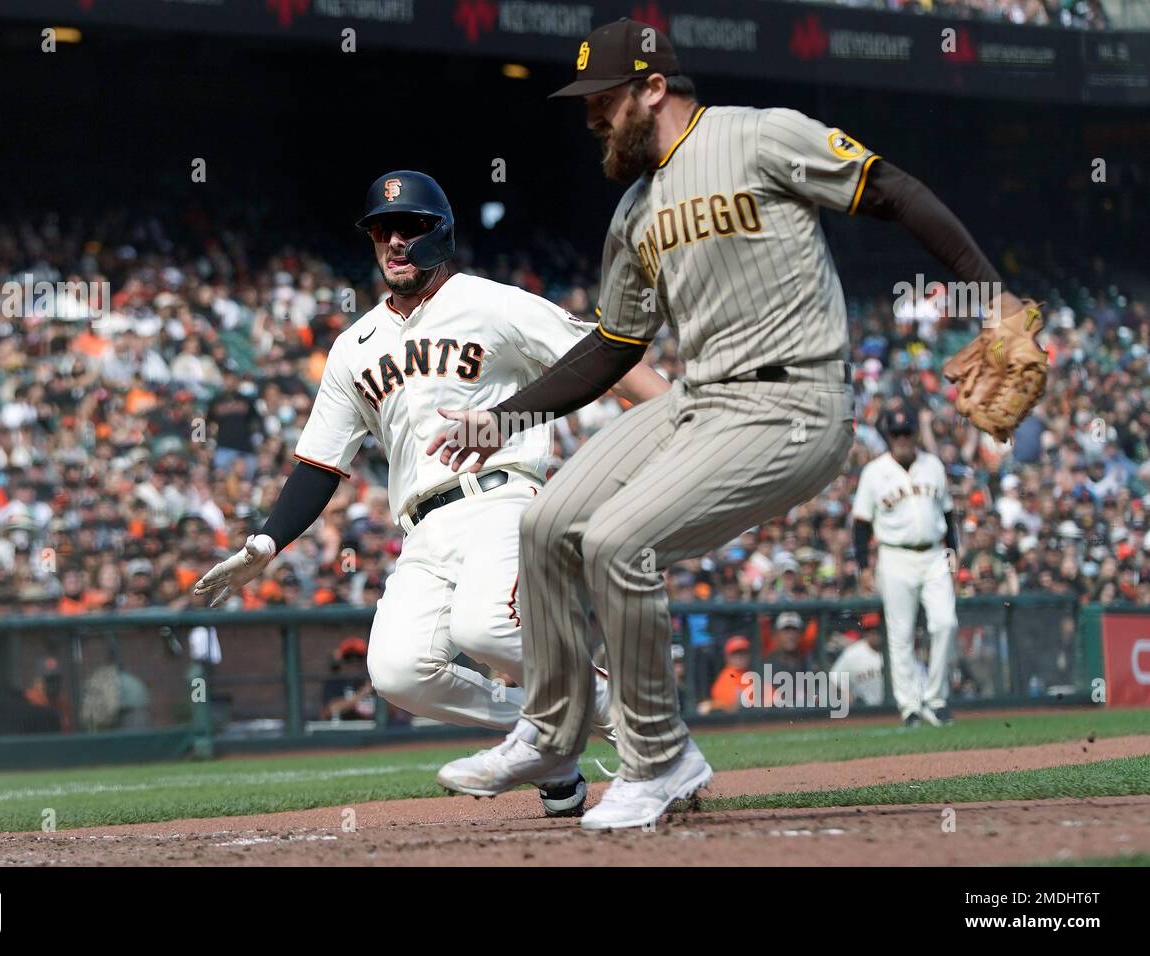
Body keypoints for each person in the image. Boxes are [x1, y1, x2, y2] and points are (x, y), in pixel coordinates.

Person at [431, 18, 1024, 829]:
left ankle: (660, 755)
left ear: (652, 88)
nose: (593, 118)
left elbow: (889, 188)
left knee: (617, 543)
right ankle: (551, 732)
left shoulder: (761, 136)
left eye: (604, 100)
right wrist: (504, 418)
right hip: (703, 399)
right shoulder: (635, 212)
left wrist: (988, 294)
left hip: (795, 401)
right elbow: (613, 346)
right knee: (548, 524)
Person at [194, 170, 668, 817]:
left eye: (409, 227)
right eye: (382, 230)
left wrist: (685, 418)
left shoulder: (493, 302)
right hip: (422, 527)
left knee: (489, 626)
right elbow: (319, 464)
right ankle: (553, 747)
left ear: (439, 233)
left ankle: (644, 726)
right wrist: (267, 539)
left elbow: (602, 355)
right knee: (399, 673)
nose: (394, 241)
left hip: (503, 496)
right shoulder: (354, 346)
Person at [852, 406, 959, 726]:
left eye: (906, 431)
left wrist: (953, 556)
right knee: (901, 634)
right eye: (896, 433)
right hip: (894, 556)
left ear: (914, 433)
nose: (901, 438)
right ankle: (909, 705)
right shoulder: (874, 472)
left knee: (945, 623)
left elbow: (950, 515)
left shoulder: (933, 465)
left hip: (933, 556)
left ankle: (935, 699)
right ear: (888, 436)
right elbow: (860, 524)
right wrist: (864, 566)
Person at [829, 612, 886, 708]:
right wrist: (845, 695)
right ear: (864, 632)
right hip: (866, 710)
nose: (875, 633)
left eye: (878, 629)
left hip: (895, 709)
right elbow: (834, 679)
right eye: (870, 630)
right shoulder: (853, 653)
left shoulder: (895, 649)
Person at [320, 637, 376, 722]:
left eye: (359, 657)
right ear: (342, 661)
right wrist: (363, 693)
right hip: (345, 732)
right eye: (348, 657)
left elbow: (395, 711)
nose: (354, 661)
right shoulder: (335, 682)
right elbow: (328, 711)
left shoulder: (375, 681)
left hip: (374, 732)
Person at [698, 635, 752, 714]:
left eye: (743, 653)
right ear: (727, 657)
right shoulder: (727, 677)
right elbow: (731, 706)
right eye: (736, 654)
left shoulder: (751, 674)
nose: (740, 657)